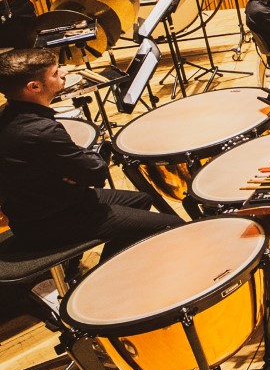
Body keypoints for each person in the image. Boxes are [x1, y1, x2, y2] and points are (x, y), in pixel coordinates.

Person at [0, 49, 184, 257]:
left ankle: (111, 260)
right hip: (54, 222)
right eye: (54, 73)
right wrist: (81, 166)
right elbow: (96, 173)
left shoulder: (7, 114)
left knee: (141, 200)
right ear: (34, 87)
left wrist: (72, 173)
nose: (63, 73)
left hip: (40, 207)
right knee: (172, 224)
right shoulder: (42, 131)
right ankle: (106, 275)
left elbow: (78, 171)